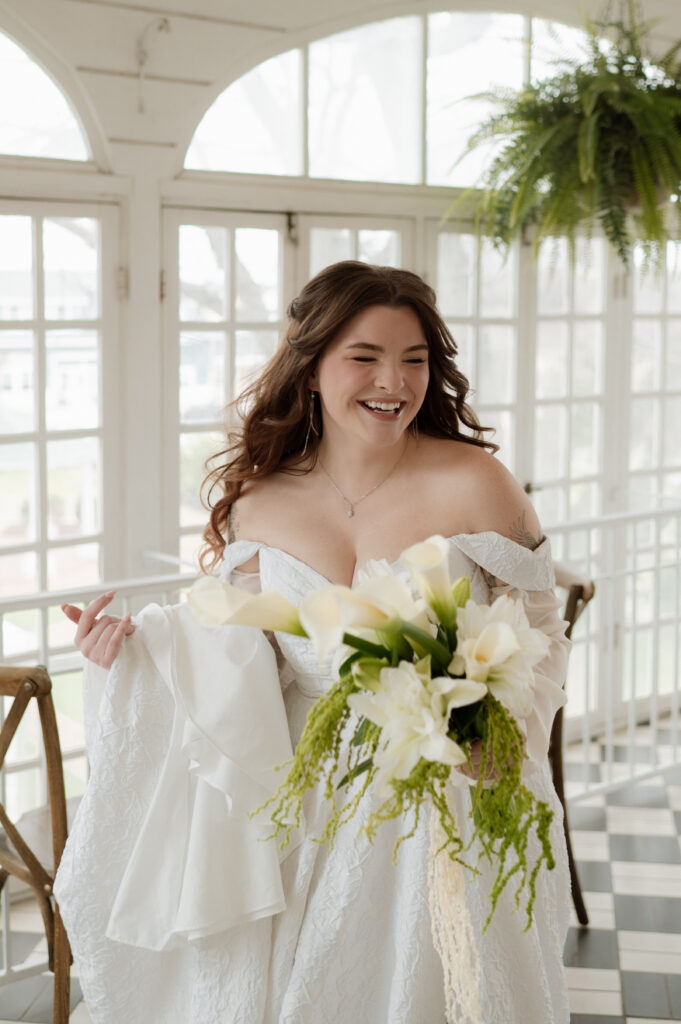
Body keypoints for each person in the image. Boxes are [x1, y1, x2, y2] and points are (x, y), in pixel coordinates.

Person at [58, 261, 571, 1024]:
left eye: (414, 360)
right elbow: (236, 647)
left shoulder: (477, 483)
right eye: (365, 357)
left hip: (450, 782)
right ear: (310, 367)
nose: (393, 382)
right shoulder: (262, 499)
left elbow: (540, 629)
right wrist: (133, 652)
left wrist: (500, 734)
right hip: (304, 792)